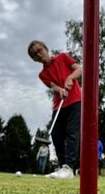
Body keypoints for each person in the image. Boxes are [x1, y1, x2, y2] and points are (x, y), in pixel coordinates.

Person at [28, 40, 82, 179]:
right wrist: (60, 89)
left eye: (40, 50)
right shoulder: (42, 75)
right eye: (35, 54)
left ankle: (69, 167)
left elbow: (79, 69)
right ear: (34, 60)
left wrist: (70, 77)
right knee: (56, 135)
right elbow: (53, 86)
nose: (39, 54)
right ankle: (63, 167)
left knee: (72, 133)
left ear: (46, 48)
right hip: (59, 105)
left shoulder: (63, 57)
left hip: (75, 100)